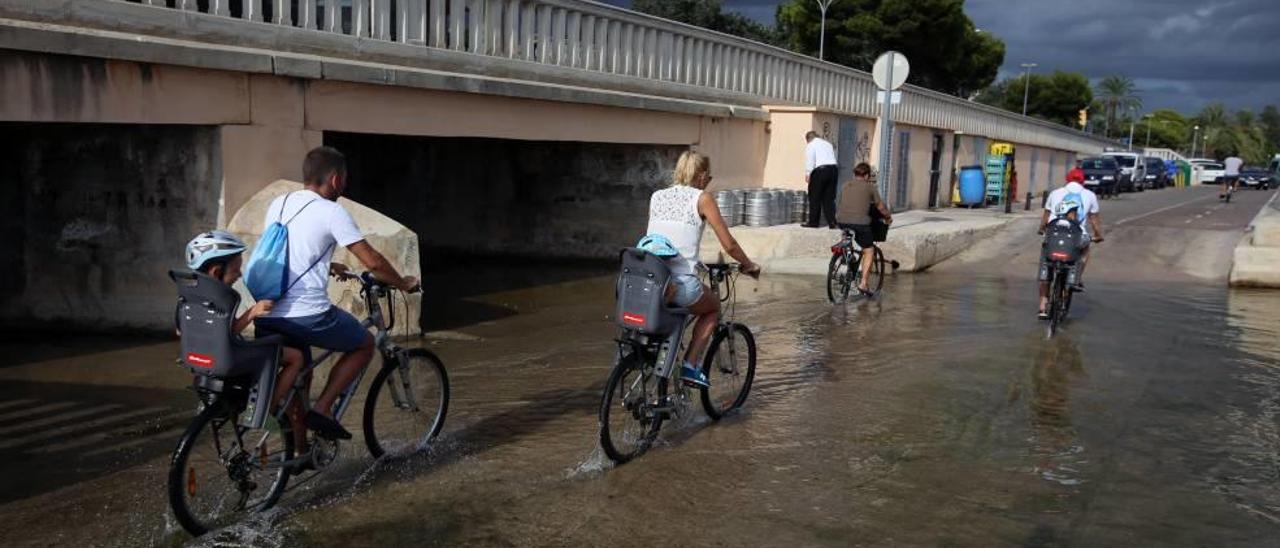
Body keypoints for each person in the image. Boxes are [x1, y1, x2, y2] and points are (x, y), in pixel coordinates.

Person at [253, 146, 420, 441]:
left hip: (267, 312)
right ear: (334, 179)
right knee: (364, 344)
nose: (344, 185)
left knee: (301, 375)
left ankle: (301, 453)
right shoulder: (332, 212)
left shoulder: (279, 203)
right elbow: (374, 262)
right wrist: (402, 283)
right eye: (344, 179)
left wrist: (328, 263)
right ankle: (323, 408)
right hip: (307, 315)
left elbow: (287, 251)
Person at [641, 151, 761, 388]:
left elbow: (662, 238)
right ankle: (690, 366)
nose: (708, 182)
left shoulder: (657, 196)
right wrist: (749, 265)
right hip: (680, 283)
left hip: (650, 279)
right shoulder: (702, 198)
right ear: (703, 175)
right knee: (712, 307)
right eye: (709, 177)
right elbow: (729, 245)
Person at [182, 230, 309, 452]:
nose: (239, 274)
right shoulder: (224, 296)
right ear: (216, 271)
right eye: (235, 269)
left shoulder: (189, 294)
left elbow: (179, 330)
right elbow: (228, 331)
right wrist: (252, 312)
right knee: (295, 357)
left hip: (199, 359)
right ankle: (267, 409)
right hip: (229, 358)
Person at [1037, 171, 1103, 319]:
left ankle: (1042, 306)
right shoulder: (1090, 195)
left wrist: (1042, 230)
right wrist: (1098, 235)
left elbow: (1046, 216)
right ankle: (1077, 278)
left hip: (1053, 234)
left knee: (1046, 262)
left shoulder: (1055, 193)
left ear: (1067, 180)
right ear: (1082, 181)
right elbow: (1094, 220)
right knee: (1085, 251)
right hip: (1076, 236)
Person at [835, 162, 893, 295]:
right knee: (869, 249)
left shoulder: (845, 186)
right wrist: (888, 217)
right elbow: (880, 207)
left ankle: (847, 257)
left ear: (854, 174)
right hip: (860, 223)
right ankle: (864, 284)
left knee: (848, 237)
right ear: (866, 175)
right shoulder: (870, 187)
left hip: (841, 221)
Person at [803, 131, 839, 228]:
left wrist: (808, 174)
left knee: (814, 197)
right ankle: (832, 222)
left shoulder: (811, 144)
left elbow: (811, 159)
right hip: (833, 170)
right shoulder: (828, 144)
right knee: (829, 198)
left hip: (821, 171)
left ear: (808, 139)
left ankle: (813, 222)